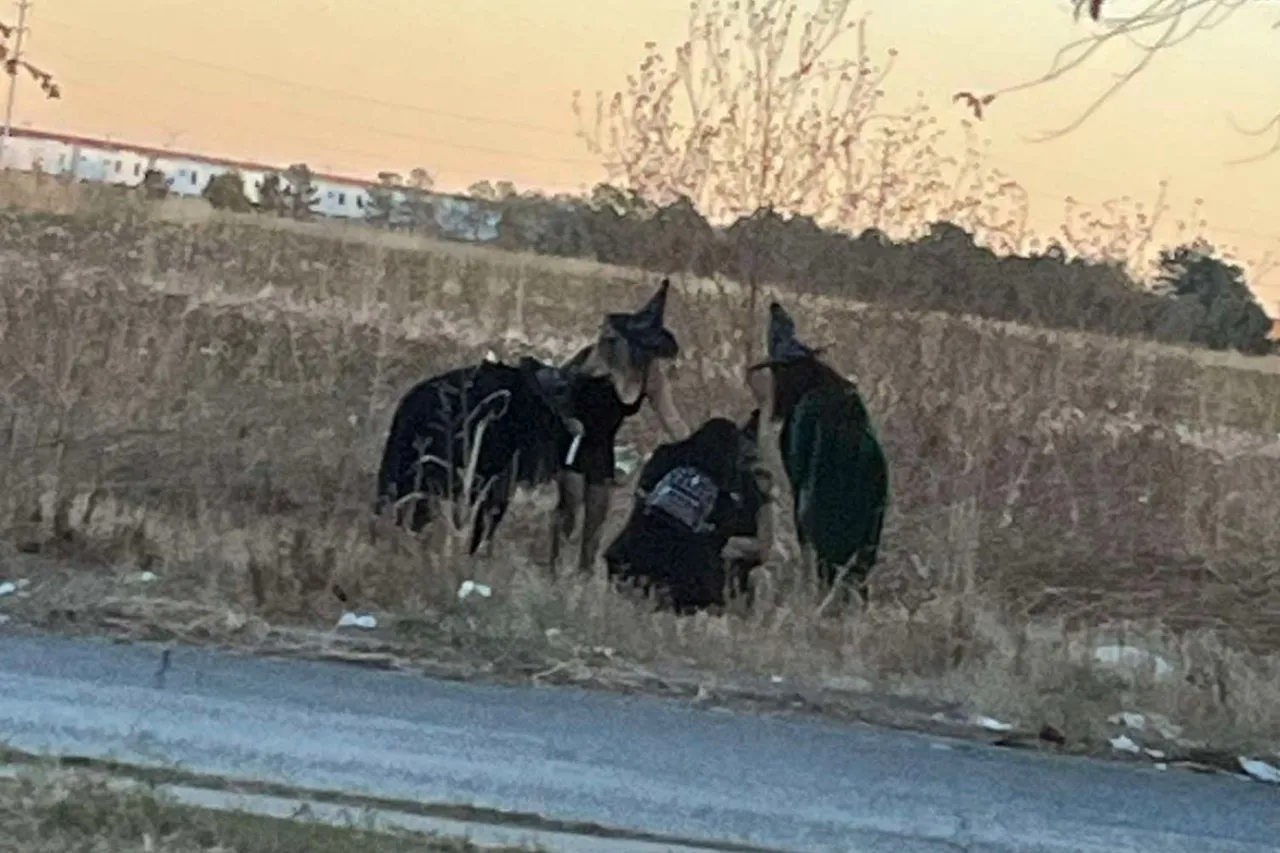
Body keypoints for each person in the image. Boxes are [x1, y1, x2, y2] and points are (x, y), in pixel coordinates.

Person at [746, 301, 890, 604]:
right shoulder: (846, 397)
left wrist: (766, 410)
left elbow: (798, 475)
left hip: (830, 500)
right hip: (869, 494)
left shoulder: (808, 411)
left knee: (829, 577)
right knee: (854, 576)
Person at [551, 279, 691, 574]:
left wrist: (692, 448)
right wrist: (567, 419)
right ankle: (554, 565)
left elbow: (671, 418)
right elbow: (556, 389)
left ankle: (584, 573)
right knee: (570, 508)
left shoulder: (651, 376)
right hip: (572, 441)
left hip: (603, 447)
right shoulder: (596, 358)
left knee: (597, 518)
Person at [602, 413, 773, 614]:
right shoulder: (731, 481)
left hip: (632, 547)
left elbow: (641, 496)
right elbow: (724, 531)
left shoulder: (666, 455)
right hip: (687, 566)